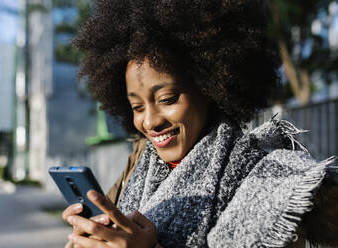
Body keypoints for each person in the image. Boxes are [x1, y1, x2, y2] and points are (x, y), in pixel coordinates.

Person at [62, 0, 338, 247]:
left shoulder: (271, 184)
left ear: (210, 88)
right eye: (136, 106)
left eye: (167, 99)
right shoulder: (136, 167)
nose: (149, 121)